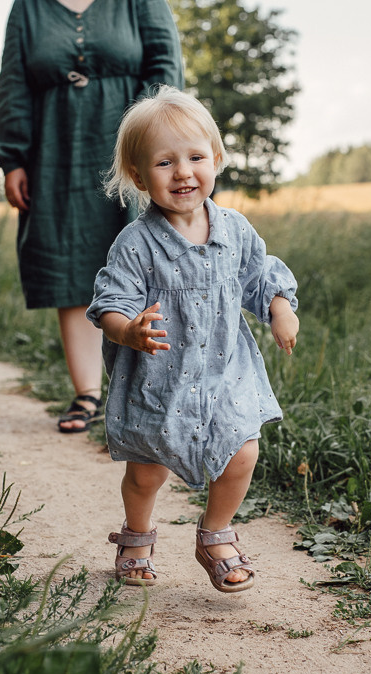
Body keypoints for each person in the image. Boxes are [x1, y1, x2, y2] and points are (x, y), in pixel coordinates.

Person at [87, 86, 300, 592]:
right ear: (139, 176)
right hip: (160, 380)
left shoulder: (235, 230)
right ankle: (136, 535)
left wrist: (279, 307)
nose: (183, 172)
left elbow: (259, 277)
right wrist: (129, 330)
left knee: (242, 450)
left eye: (195, 157)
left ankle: (215, 536)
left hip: (226, 374)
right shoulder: (135, 244)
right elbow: (110, 304)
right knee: (148, 471)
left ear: (217, 159)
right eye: (165, 162)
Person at [0, 0, 183, 433]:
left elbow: (164, 64)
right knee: (71, 268)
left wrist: (152, 142)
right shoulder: (28, 6)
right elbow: (13, 84)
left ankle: (153, 391)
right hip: (55, 149)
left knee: (147, 261)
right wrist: (13, 159)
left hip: (127, 145)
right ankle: (86, 393)